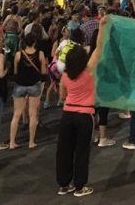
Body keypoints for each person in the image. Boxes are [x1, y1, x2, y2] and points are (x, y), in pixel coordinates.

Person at [56, 15, 108, 197]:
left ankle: (63, 184)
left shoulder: (65, 75)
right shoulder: (89, 70)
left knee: (64, 150)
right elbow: (99, 48)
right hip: (85, 116)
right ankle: (80, 186)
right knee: (82, 152)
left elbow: (62, 96)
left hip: (67, 114)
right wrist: (102, 27)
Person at [9, 30, 47, 149]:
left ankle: (12, 142)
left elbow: (15, 72)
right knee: (33, 114)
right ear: (35, 42)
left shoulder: (18, 54)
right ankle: (31, 141)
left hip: (20, 85)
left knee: (16, 114)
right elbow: (44, 72)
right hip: (34, 85)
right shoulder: (40, 54)